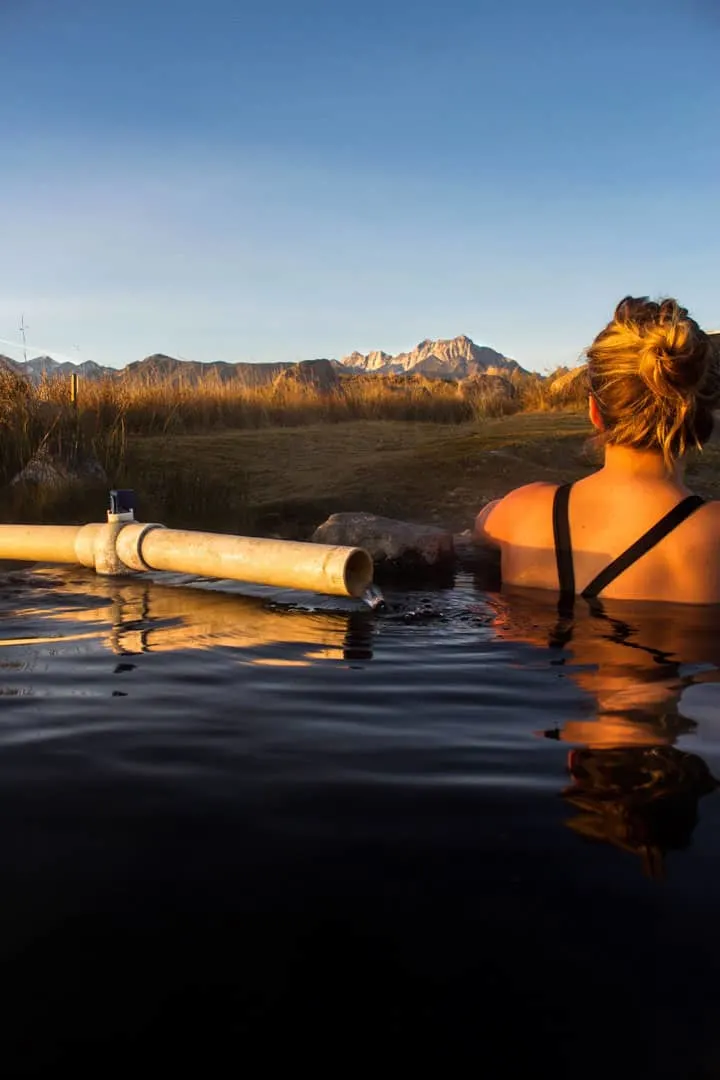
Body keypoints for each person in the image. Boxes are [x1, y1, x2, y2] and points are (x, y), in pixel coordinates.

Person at [474, 297, 720, 604]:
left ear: (594, 410)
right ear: (705, 412)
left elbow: (483, 520)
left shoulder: (523, 511)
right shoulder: (713, 533)